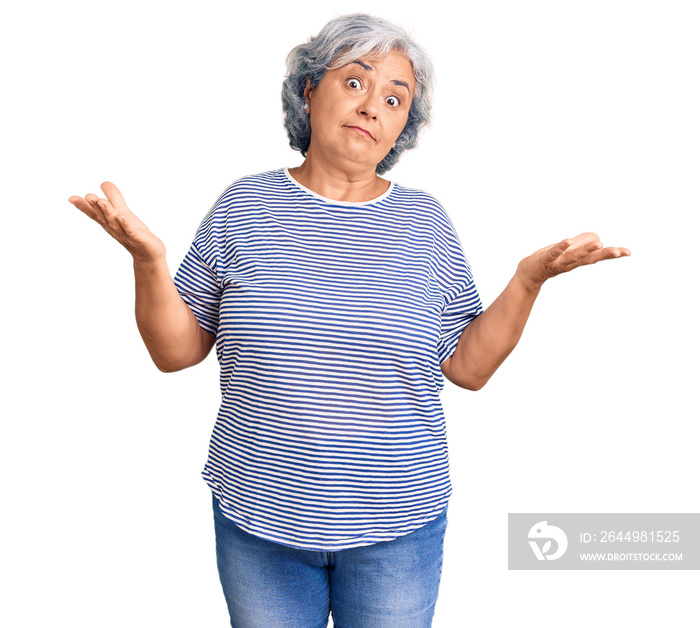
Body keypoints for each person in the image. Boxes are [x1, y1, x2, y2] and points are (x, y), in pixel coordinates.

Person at [68, 13, 630, 628]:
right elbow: (176, 352)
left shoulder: (425, 223)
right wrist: (149, 261)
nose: (372, 107)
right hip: (258, 519)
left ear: (402, 128)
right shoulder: (243, 207)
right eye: (356, 82)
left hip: (398, 525)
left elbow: (468, 367)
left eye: (394, 98)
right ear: (309, 91)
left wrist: (527, 281)